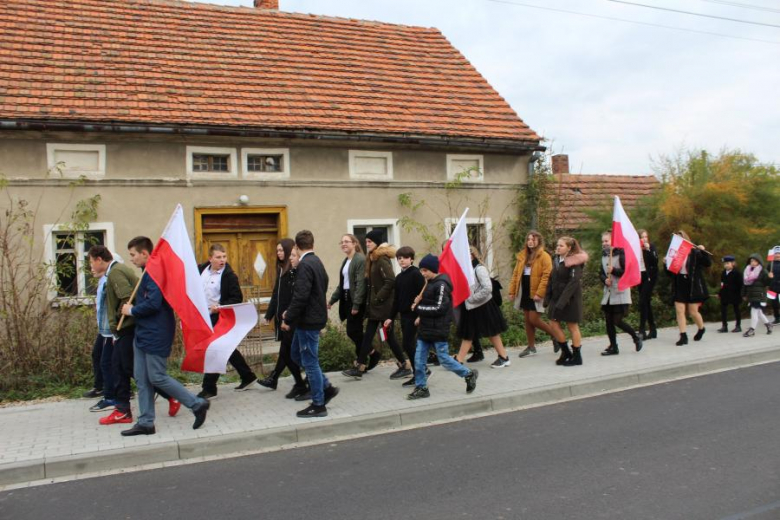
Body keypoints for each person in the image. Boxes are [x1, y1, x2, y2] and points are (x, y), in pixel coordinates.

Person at [119, 236, 210, 435]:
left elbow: (153, 303)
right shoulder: (146, 273)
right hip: (142, 333)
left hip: (156, 334)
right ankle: (146, 422)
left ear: (145, 254)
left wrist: (132, 311)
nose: (132, 259)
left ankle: (196, 404)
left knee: (157, 377)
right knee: (142, 380)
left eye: (133, 255)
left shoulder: (154, 274)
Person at [88, 246, 180, 426]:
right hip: (120, 329)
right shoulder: (113, 273)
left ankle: (171, 398)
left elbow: (127, 298)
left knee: (125, 368)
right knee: (121, 368)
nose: (90, 265)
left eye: (91, 261)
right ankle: (123, 408)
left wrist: (124, 317)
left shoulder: (115, 273)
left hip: (127, 328)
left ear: (99, 259)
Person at [282, 230, 339, 418]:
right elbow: (322, 285)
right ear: (312, 244)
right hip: (309, 319)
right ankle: (326, 388)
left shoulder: (305, 265)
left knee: (310, 362)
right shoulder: (316, 261)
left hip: (308, 321)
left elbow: (301, 296)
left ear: (296, 247)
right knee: (296, 354)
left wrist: (288, 316)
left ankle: (318, 404)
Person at [407, 254, 478, 400]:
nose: (423, 273)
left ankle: (468, 374)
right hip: (425, 329)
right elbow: (428, 303)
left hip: (438, 329)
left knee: (444, 360)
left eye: (425, 270)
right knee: (418, 360)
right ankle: (421, 387)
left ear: (433, 269)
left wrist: (419, 309)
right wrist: (420, 312)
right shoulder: (429, 283)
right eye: (421, 270)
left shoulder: (441, 285)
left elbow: (440, 308)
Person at [342, 229, 410, 379]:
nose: (367, 244)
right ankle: (360, 366)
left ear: (377, 243)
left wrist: (378, 298)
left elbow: (390, 281)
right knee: (370, 337)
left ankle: (405, 365)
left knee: (388, 337)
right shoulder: (373, 258)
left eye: (369, 242)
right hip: (376, 307)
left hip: (383, 307)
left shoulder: (381, 259)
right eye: (365, 242)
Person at [197, 244, 258, 399]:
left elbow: (236, 298)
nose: (222, 260)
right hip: (204, 317)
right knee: (227, 349)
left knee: (215, 350)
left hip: (220, 317)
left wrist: (220, 307)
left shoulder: (229, 276)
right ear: (210, 258)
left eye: (224, 257)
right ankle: (248, 376)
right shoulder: (201, 269)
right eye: (218, 257)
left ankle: (209, 388)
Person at [258, 239, 308, 398]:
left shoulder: (293, 270)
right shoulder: (281, 269)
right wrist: (269, 314)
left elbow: (295, 296)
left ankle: (300, 383)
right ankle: (278, 379)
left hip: (291, 319)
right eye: (277, 250)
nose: (279, 253)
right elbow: (276, 293)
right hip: (283, 318)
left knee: (287, 353)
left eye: (281, 250)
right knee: (286, 352)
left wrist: (289, 317)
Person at [454, 246, 511, 368]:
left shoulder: (479, 269)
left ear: (473, 255)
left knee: (492, 332)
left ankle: (503, 357)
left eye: (467, 255)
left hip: (483, 306)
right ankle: (458, 360)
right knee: (468, 333)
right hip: (472, 307)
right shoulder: (466, 270)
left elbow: (487, 288)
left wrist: (471, 299)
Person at [509, 231, 555, 358]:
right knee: (527, 320)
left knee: (534, 319)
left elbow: (547, 276)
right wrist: (512, 291)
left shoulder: (544, 256)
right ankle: (531, 347)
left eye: (533, 239)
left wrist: (540, 293)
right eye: (528, 239)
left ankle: (555, 336)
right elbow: (515, 275)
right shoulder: (523, 256)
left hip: (537, 291)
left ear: (539, 241)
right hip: (524, 290)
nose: (530, 241)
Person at [544, 237, 588, 367]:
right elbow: (551, 279)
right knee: (553, 323)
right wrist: (547, 298)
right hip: (556, 298)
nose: (558, 247)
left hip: (570, 300)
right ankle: (565, 352)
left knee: (572, 326)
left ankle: (577, 356)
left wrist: (563, 301)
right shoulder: (557, 260)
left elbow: (573, 283)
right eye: (557, 245)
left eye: (561, 246)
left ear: (569, 248)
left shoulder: (575, 262)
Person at [386, 246, 426, 385]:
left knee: (408, 344)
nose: (402, 260)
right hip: (404, 315)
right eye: (399, 258)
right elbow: (396, 300)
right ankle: (420, 371)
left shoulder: (416, 274)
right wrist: (390, 317)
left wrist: (420, 314)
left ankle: (420, 373)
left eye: (405, 258)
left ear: (412, 259)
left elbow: (423, 296)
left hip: (414, 315)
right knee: (409, 345)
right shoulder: (399, 277)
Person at [599, 231, 643, 356]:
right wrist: (604, 279)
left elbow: (626, 272)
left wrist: (614, 270)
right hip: (608, 293)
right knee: (608, 321)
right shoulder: (604, 256)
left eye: (606, 241)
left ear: (613, 241)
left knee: (617, 321)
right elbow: (600, 272)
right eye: (603, 241)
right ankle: (613, 346)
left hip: (620, 292)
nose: (604, 244)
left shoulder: (621, 254)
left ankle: (635, 337)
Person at [667, 231, 711, 346]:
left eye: (681, 239)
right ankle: (683, 335)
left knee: (693, 311)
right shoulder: (673, 253)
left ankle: (701, 328)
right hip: (680, 282)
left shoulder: (694, 252)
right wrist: (665, 263)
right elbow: (669, 273)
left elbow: (707, 263)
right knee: (679, 310)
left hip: (693, 284)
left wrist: (703, 252)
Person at [327, 234, 366, 358]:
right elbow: (342, 284)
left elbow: (361, 284)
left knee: (352, 331)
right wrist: (331, 301)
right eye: (342, 242)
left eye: (347, 241)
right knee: (355, 331)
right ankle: (362, 361)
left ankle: (370, 353)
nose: (343, 244)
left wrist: (356, 304)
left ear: (354, 243)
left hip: (355, 299)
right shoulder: (346, 260)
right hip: (346, 298)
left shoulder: (359, 259)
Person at [83, 271, 115, 412]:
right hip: (104, 329)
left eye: (91, 262)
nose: (91, 268)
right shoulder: (102, 281)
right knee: (100, 357)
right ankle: (102, 388)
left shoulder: (110, 278)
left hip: (110, 330)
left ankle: (112, 395)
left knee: (112, 362)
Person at [741, 253, 773, 337]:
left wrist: (770, 278)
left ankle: (752, 330)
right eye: (751, 261)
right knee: (759, 312)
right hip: (751, 295)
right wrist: (744, 294)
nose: (753, 262)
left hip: (759, 295)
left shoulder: (762, 271)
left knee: (754, 312)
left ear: (759, 262)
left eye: (755, 261)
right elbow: (745, 284)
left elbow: (766, 283)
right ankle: (768, 324)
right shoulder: (748, 270)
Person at [637, 229, 659, 340]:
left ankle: (642, 329)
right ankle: (653, 328)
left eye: (646, 237)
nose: (644, 239)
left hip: (650, 276)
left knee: (642, 301)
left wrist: (648, 250)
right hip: (640, 275)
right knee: (646, 302)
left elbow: (655, 261)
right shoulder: (636, 249)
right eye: (642, 237)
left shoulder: (651, 247)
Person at [717, 255, 743, 333]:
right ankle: (724, 326)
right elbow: (722, 284)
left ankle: (738, 326)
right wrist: (720, 293)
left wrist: (741, 294)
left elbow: (740, 285)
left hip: (735, 294)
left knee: (736, 309)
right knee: (723, 309)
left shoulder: (737, 273)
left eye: (728, 263)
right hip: (725, 294)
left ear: (733, 263)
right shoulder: (723, 273)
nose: (726, 265)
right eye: (725, 264)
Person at [769, 248, 780, 325]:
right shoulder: (770, 264)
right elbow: (766, 275)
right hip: (772, 287)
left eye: (779, 253)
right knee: (774, 303)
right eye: (776, 254)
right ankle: (777, 318)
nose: (777, 255)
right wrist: (769, 276)